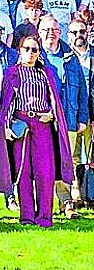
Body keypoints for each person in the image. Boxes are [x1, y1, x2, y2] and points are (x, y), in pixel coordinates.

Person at [0, 35, 76, 227]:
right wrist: (6, 126)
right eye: (27, 49)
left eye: (34, 50)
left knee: (45, 171)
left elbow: (54, 99)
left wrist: (51, 114)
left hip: (42, 125)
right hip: (21, 124)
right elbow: (6, 102)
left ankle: (45, 217)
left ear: (39, 53)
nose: (30, 53)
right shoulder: (12, 73)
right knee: (23, 172)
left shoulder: (46, 73)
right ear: (20, 50)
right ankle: (27, 216)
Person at [35, 14, 89, 219]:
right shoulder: (34, 55)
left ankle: (66, 203)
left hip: (69, 118)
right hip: (43, 120)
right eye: (47, 30)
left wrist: (82, 117)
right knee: (45, 163)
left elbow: (82, 89)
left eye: (55, 30)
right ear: (39, 32)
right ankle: (46, 204)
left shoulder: (71, 57)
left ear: (60, 32)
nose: (51, 33)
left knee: (65, 163)